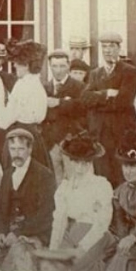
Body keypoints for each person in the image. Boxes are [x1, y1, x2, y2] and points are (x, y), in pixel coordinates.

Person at [35, 131, 113, 271]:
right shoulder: (65, 188)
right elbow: (59, 222)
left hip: (96, 237)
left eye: (85, 163)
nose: (80, 168)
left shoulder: (101, 185)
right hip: (72, 234)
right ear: (71, 161)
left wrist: (82, 248)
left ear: (91, 162)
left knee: (71, 267)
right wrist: (53, 251)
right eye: (76, 162)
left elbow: (101, 224)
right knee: (50, 267)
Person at [0, 128, 56, 271]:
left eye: (21, 149)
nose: (16, 154)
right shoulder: (7, 175)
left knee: (20, 257)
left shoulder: (44, 175)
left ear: (30, 149)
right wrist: (0, 232)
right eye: (12, 149)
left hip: (35, 234)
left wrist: (19, 233)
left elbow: (46, 214)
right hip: (8, 235)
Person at [81, 32, 136, 186]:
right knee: (102, 177)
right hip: (99, 134)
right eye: (104, 47)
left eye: (111, 46)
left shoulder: (129, 71)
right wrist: (106, 93)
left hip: (121, 133)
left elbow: (123, 102)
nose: (107, 50)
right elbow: (84, 99)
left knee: (122, 176)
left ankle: (121, 209)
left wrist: (97, 102)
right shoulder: (95, 74)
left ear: (119, 48)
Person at [103, 130, 136, 271]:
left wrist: (134, 237)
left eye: (133, 165)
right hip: (132, 244)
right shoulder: (120, 192)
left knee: (125, 256)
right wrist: (124, 238)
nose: (128, 171)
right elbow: (120, 224)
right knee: (112, 255)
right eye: (125, 165)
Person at [0, 40, 50, 170]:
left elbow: (8, 118)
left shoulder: (22, 85)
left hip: (20, 137)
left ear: (26, 65)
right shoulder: (37, 84)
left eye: (17, 63)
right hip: (35, 136)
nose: (15, 66)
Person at [44, 50, 87, 185]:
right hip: (50, 144)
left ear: (68, 66)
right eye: (55, 66)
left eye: (62, 66)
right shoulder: (44, 87)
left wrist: (60, 103)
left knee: (75, 180)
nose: (58, 70)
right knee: (55, 182)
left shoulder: (79, 87)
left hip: (71, 142)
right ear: (50, 66)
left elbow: (84, 110)